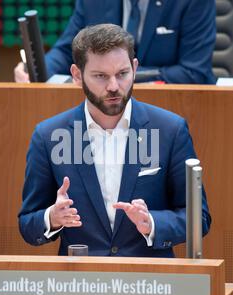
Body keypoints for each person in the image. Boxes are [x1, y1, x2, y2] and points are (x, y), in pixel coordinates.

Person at [18, 24, 211, 257]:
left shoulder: (170, 130)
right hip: (81, 284)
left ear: (134, 68)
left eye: (122, 74)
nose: (113, 87)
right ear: (77, 76)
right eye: (100, 76)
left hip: (150, 284)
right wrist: (52, 217)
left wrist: (152, 222)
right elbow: (28, 224)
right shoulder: (48, 135)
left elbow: (198, 218)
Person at [14, 0, 216, 84]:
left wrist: (113, 76)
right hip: (103, 115)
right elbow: (68, 51)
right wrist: (37, 72)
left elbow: (194, 72)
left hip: (176, 110)